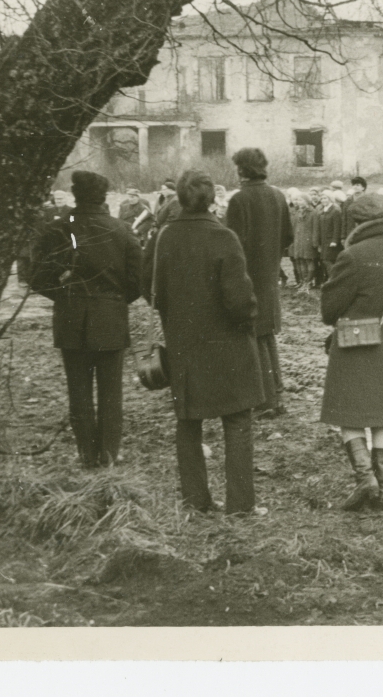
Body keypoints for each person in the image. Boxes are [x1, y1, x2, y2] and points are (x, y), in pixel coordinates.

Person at [144, 170, 263, 514]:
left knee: (188, 420)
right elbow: (240, 300)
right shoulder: (223, 237)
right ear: (212, 199)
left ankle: (195, 502)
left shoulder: (164, 236)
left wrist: (174, 313)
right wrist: (248, 319)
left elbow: (146, 282)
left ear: (178, 199)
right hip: (228, 343)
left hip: (183, 342)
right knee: (238, 420)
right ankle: (241, 506)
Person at [31, 170, 142, 468]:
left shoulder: (58, 230)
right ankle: (108, 455)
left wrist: (66, 296)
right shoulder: (121, 230)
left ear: (75, 194)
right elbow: (137, 280)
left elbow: (37, 277)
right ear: (104, 197)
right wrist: (114, 301)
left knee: (78, 392)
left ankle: (86, 455)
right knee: (111, 393)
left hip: (71, 319)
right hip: (110, 319)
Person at [320, 192, 383, 511]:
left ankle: (366, 480)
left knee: (350, 413)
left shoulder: (353, 255)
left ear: (359, 222)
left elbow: (329, 310)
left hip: (356, 341)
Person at [225, 147, 294, 421]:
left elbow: (232, 244)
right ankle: (275, 395)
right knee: (266, 337)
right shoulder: (278, 195)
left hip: (247, 277)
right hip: (269, 277)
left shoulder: (240, 200)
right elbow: (288, 236)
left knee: (254, 339)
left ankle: (265, 402)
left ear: (242, 170)